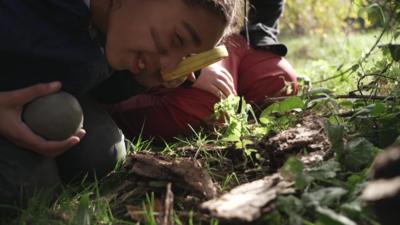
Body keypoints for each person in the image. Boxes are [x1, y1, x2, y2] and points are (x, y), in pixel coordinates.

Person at [0, 0, 242, 209]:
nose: (170, 66)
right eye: (178, 38)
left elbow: (95, 82)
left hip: (34, 94)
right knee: (25, 191)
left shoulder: (113, 23)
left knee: (103, 153)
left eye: (187, 59)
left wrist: (145, 78)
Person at [101, 0, 299, 140]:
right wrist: (199, 64)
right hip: (193, 43)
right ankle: (106, 112)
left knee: (281, 82)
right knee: (210, 107)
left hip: (237, 38)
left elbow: (268, 10)